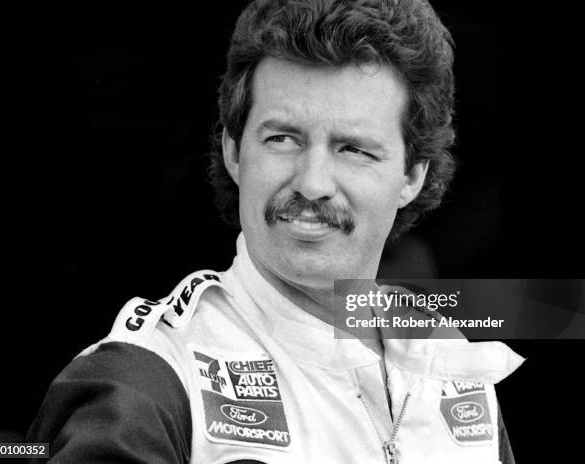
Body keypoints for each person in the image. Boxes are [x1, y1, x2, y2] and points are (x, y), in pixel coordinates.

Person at [28, 0, 523, 462]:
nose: (311, 183)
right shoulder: (148, 380)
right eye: (283, 138)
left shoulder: (454, 362)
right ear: (235, 151)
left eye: (353, 148)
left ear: (412, 175)